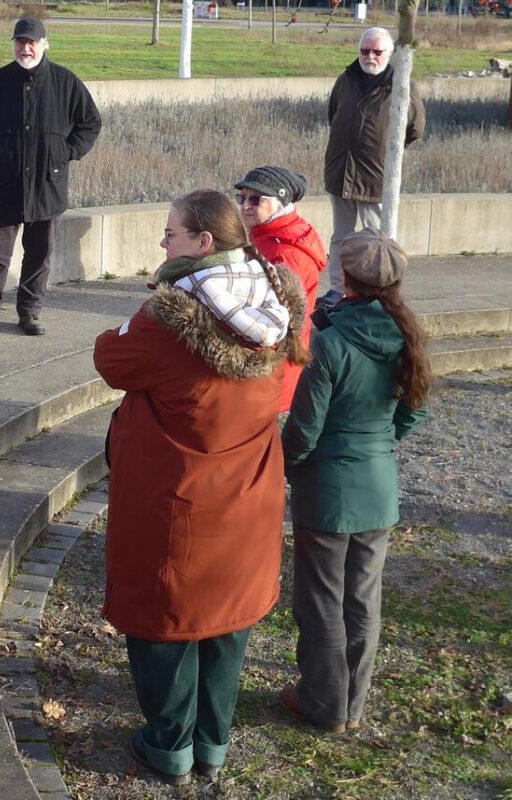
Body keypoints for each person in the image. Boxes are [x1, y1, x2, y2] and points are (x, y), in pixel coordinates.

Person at [94, 190, 307, 786]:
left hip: (178, 499)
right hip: (249, 494)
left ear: (203, 243)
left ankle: (168, 746)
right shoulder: (276, 301)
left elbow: (110, 359)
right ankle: (213, 743)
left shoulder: (169, 320)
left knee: (165, 624)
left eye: (172, 234)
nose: (163, 244)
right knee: (226, 623)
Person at [279, 230, 430, 735]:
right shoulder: (407, 334)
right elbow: (412, 413)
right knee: (363, 602)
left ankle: (324, 705)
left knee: (321, 602)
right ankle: (352, 705)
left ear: (345, 278)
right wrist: (380, 445)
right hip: (379, 487)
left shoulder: (331, 342)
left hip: (327, 492)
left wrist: (287, 467)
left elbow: (303, 429)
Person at [0, 18, 101, 339]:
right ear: (13, 45)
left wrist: (67, 152)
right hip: (5, 186)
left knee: (39, 256)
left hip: (47, 188)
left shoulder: (66, 83)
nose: (25, 48)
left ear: (44, 44)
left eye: (32, 42)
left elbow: (90, 123)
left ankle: (30, 312)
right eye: (20, 42)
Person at [322, 26, 425, 299]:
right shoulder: (346, 79)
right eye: (364, 50)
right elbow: (334, 115)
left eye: (377, 51)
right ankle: (337, 291)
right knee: (340, 239)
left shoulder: (401, 84)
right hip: (341, 172)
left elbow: (415, 128)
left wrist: (386, 152)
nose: (370, 56)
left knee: (376, 241)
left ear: (389, 53)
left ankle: (373, 294)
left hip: (374, 177)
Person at [235, 165, 329, 412]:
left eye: (255, 200)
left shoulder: (286, 255)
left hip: (273, 370)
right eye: (241, 197)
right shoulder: (268, 237)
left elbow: (274, 324)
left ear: (280, 202)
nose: (245, 206)